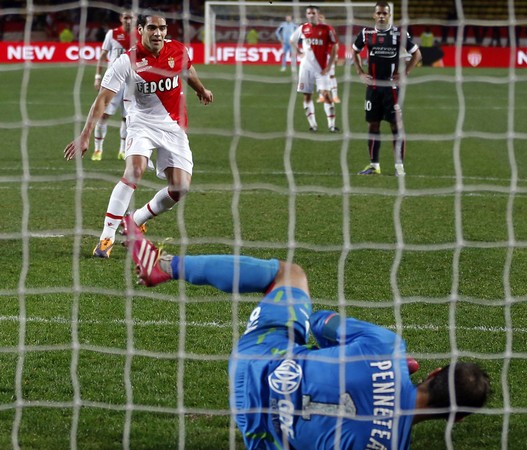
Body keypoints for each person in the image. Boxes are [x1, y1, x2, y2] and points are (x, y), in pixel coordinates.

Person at [121, 215, 491, 450]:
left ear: (433, 372)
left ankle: (165, 266)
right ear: (456, 419)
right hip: (259, 433)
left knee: (289, 274)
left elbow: (319, 323)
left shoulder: (388, 348)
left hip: (255, 363)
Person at [63, 14, 214, 259]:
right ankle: (106, 237)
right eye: (152, 28)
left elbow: (188, 69)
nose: (158, 33)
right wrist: (85, 135)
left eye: (162, 28)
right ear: (141, 30)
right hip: (140, 123)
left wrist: (201, 90)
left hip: (174, 126)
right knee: (134, 170)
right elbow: (102, 99)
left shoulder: (178, 50)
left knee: (180, 188)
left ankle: (135, 220)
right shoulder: (126, 61)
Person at [353, 1, 422, 177]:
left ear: (389, 15)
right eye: (379, 13)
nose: (382, 16)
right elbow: (354, 51)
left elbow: (417, 54)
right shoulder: (366, 33)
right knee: (373, 125)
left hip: (391, 88)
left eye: (385, 13)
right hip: (373, 87)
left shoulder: (399, 34)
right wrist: (360, 72)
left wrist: (405, 72)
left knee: (395, 125)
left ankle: (399, 168)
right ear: (374, 15)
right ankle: (374, 165)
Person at [91, 10, 137, 162]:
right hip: (113, 82)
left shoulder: (140, 35)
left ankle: (123, 151)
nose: (128, 20)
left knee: (127, 118)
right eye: (126, 17)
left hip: (131, 83)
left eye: (131, 17)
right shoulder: (112, 34)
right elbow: (103, 56)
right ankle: (98, 149)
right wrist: (98, 77)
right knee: (103, 115)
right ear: (121, 19)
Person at [290, 5, 340, 133]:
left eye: (313, 13)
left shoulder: (327, 29)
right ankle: (313, 125)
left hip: (322, 68)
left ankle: (332, 125)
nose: (311, 15)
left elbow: (335, 46)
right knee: (307, 96)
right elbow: (292, 40)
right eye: (309, 13)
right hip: (305, 68)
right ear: (306, 15)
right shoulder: (303, 28)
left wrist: (329, 65)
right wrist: (299, 53)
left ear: (318, 14)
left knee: (326, 96)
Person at [317, 13, 340, 104]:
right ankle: (321, 96)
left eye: (321, 17)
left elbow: (335, 43)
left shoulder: (329, 29)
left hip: (329, 56)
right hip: (319, 57)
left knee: (331, 76)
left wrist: (336, 55)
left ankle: (335, 96)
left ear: (324, 19)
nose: (319, 19)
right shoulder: (313, 30)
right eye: (318, 18)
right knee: (319, 76)